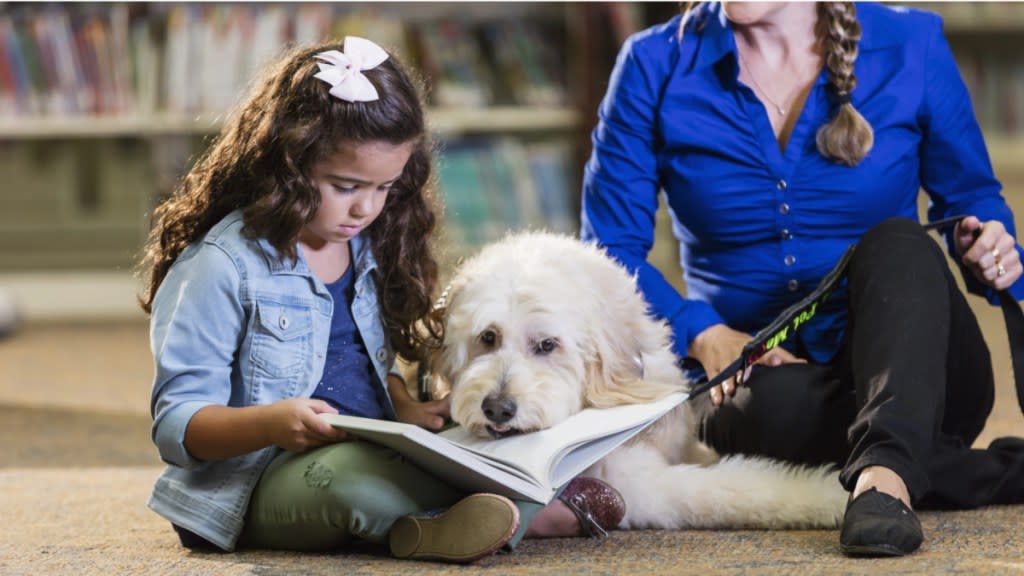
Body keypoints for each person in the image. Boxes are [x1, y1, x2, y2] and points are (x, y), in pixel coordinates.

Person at [138, 37, 623, 563]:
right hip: (256, 481)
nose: (366, 207)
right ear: (288, 164)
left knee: (465, 440)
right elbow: (176, 425)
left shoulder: (364, 245)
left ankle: (454, 518)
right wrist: (273, 423)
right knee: (350, 483)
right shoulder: (220, 265)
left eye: (384, 187)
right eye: (345, 186)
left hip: (373, 445)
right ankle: (504, 514)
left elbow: (364, 363)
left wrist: (405, 408)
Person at [582, 1, 1024, 558]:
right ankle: (978, 471)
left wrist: (989, 246)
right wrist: (703, 333)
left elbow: (974, 201)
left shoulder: (912, 41)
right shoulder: (651, 64)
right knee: (752, 415)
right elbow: (608, 252)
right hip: (761, 382)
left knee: (897, 240)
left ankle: (884, 479)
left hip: (920, 366)